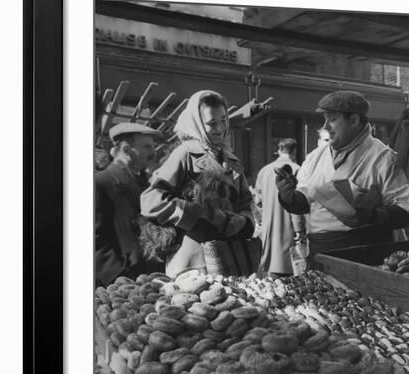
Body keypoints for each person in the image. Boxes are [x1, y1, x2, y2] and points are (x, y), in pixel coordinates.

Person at [276, 90, 409, 263]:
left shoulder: (384, 157)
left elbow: (407, 210)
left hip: (366, 251)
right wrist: (287, 194)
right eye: (325, 119)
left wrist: (373, 216)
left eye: (333, 119)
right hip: (321, 250)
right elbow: (303, 203)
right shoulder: (316, 156)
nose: (326, 126)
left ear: (354, 120)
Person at [139, 90, 255, 278]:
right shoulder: (185, 153)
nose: (219, 128)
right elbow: (150, 200)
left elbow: (244, 203)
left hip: (229, 260)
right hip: (193, 263)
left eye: (223, 120)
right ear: (198, 124)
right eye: (211, 123)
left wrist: (242, 220)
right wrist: (197, 214)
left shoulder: (231, 159)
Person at [95, 122, 164, 286]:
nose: (153, 152)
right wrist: (118, 277)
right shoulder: (101, 182)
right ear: (126, 150)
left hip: (149, 277)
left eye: (153, 147)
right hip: (122, 283)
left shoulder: (145, 183)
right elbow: (94, 238)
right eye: (147, 147)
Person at [255, 138, 305, 275]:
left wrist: (261, 222)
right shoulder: (297, 170)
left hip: (268, 228)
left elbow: (257, 202)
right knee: (290, 273)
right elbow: (298, 203)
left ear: (279, 151)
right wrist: (299, 229)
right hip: (288, 229)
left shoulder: (264, 171)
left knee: (271, 273)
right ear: (294, 151)